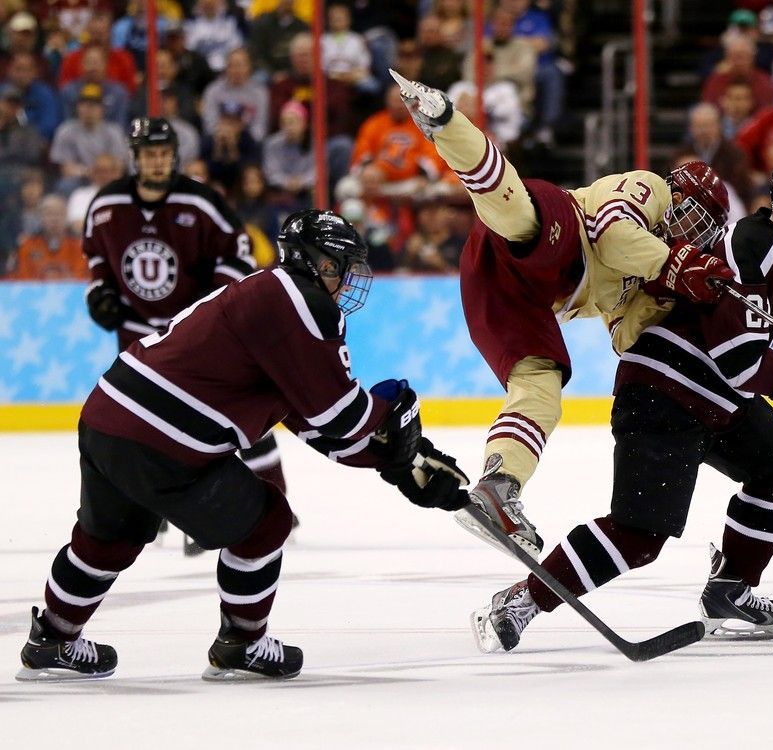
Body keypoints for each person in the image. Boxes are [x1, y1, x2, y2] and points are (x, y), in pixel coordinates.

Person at [16, 209, 470, 681]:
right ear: (319, 262)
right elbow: (341, 417)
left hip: (108, 417)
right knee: (266, 522)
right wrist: (398, 428)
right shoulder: (306, 303)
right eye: (342, 265)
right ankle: (243, 642)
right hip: (164, 440)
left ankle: (53, 637)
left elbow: (318, 428)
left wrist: (393, 464)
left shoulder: (272, 297)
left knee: (109, 537)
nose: (347, 278)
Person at [471, 152, 773, 652]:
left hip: (714, 398)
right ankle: (519, 601)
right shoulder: (754, 242)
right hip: (664, 393)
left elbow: (764, 315)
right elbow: (738, 353)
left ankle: (730, 589)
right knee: (638, 535)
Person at [390, 70, 735, 560]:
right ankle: (447, 122)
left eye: (702, 230)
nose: (689, 233)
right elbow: (613, 236)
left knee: (542, 389)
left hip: (515, 294)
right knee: (515, 211)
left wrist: (693, 314)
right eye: (693, 216)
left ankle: (500, 482)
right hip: (562, 233)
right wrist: (672, 265)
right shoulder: (650, 188)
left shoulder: (657, 275)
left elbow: (629, 339)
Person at [81, 117, 285, 554]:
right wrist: (99, 290)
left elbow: (238, 253)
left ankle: (270, 493)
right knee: (141, 427)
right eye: (148, 154)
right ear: (134, 158)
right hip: (138, 338)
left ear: (173, 155)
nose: (156, 162)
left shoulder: (202, 203)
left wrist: (213, 308)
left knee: (223, 417)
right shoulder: (106, 205)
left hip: (193, 337)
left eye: (162, 153)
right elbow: (96, 255)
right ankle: (147, 512)